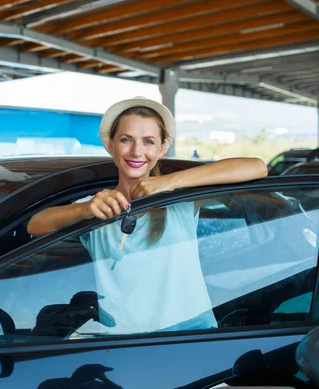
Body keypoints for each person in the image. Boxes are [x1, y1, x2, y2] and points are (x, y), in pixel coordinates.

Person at [27, 96, 267, 335]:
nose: (136, 151)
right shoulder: (98, 207)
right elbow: (35, 225)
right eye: (126, 140)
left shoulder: (180, 202)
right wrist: (85, 209)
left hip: (193, 336)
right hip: (124, 343)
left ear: (162, 148)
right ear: (111, 145)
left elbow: (257, 167)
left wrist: (170, 182)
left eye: (148, 142)